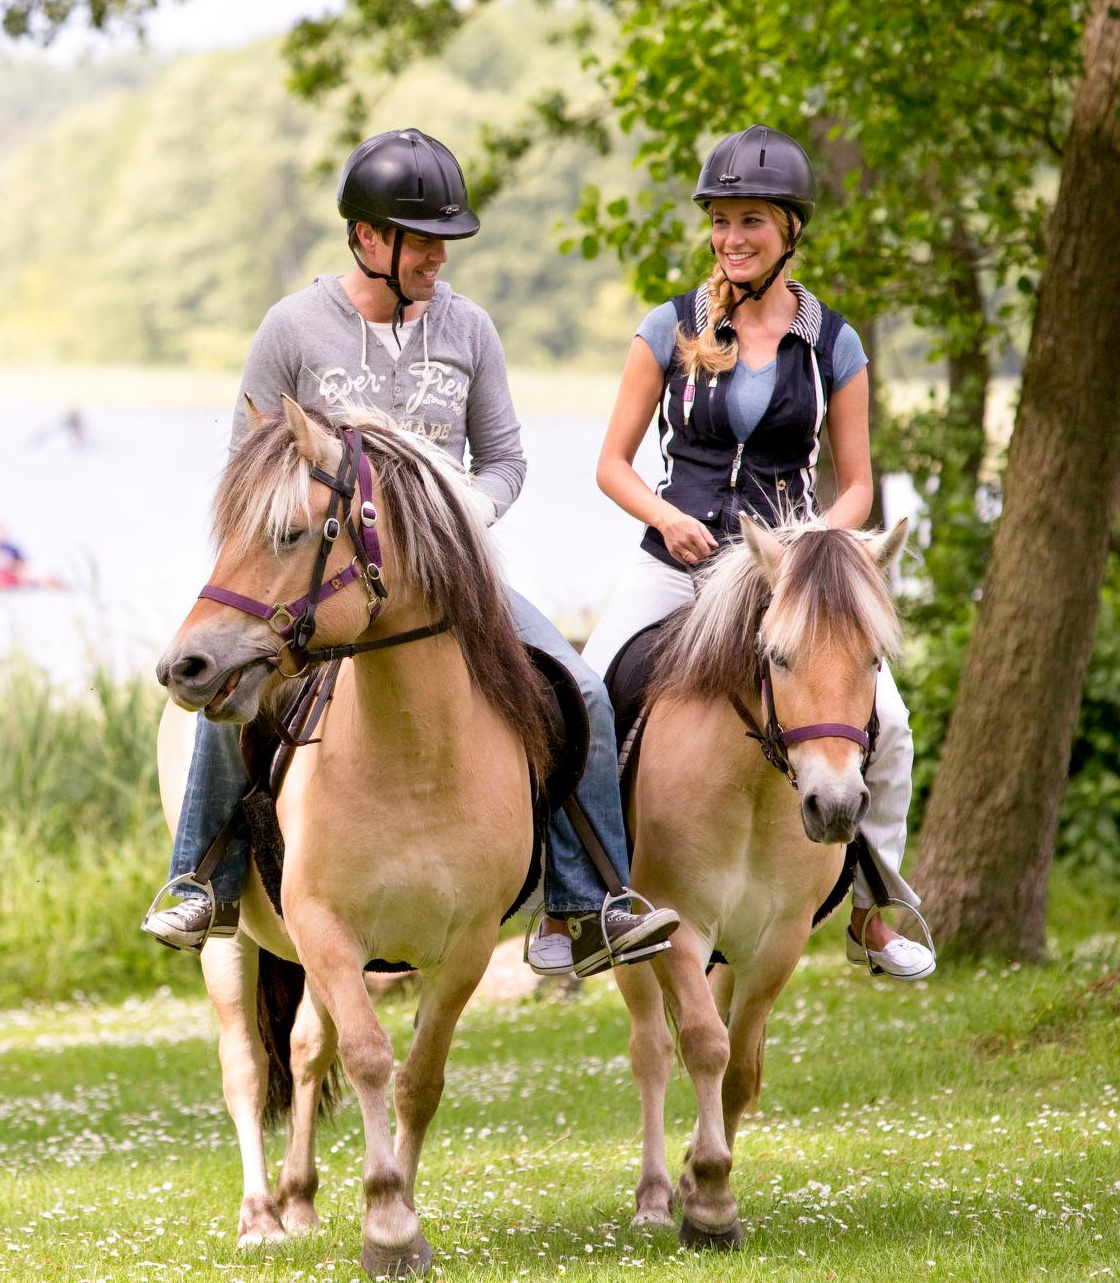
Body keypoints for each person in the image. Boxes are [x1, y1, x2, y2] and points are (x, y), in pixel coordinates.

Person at [142, 128, 678, 979]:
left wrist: (462, 516)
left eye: (445, 241)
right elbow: (249, 464)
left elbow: (506, 459)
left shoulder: (470, 329)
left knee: (577, 686)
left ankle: (588, 903)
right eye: (423, 240)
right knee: (233, 677)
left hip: (453, 582)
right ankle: (200, 878)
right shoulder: (291, 328)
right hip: (327, 579)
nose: (439, 256)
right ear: (368, 239)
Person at [580, 124, 935, 981]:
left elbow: (855, 486)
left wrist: (810, 545)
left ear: (789, 233)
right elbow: (611, 465)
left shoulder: (833, 344)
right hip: (677, 564)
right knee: (584, 698)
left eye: (752, 223)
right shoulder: (667, 328)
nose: (733, 238)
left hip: (788, 575)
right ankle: (582, 901)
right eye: (722, 221)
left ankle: (872, 906)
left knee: (892, 724)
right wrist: (667, 519)